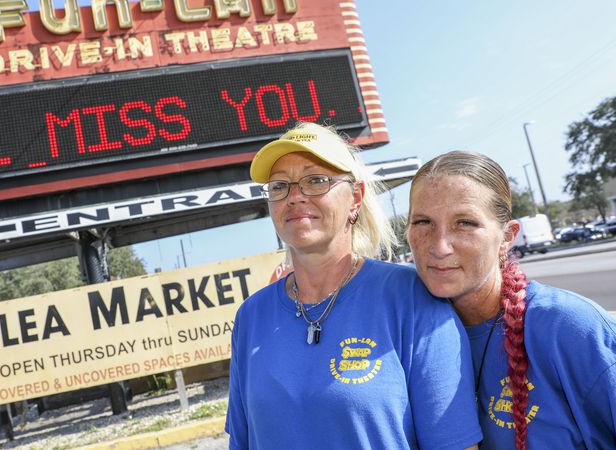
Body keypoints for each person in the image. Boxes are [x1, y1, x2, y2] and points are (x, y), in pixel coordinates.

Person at [225, 122, 482, 449]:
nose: (295, 196)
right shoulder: (251, 317)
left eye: (316, 180)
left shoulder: (411, 298)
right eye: (279, 186)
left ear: (355, 199)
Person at [407, 150, 616, 449]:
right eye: (423, 222)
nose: (439, 246)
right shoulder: (406, 333)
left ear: (507, 236)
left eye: (464, 223)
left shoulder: (568, 328)